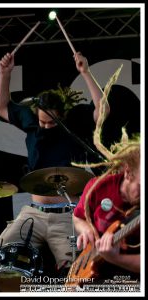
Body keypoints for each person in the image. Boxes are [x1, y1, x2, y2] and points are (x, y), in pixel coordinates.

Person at [0, 50, 109, 284]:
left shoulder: (76, 119)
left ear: (63, 116)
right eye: (42, 121)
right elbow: (2, 108)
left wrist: (86, 72)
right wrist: (4, 74)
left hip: (68, 215)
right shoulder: (31, 118)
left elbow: (103, 111)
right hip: (33, 211)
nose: (45, 127)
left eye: (51, 122)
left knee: (80, 274)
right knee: (3, 255)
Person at [71, 84, 140, 285]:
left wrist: (116, 258)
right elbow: (78, 218)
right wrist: (86, 230)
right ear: (127, 173)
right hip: (94, 269)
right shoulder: (98, 186)